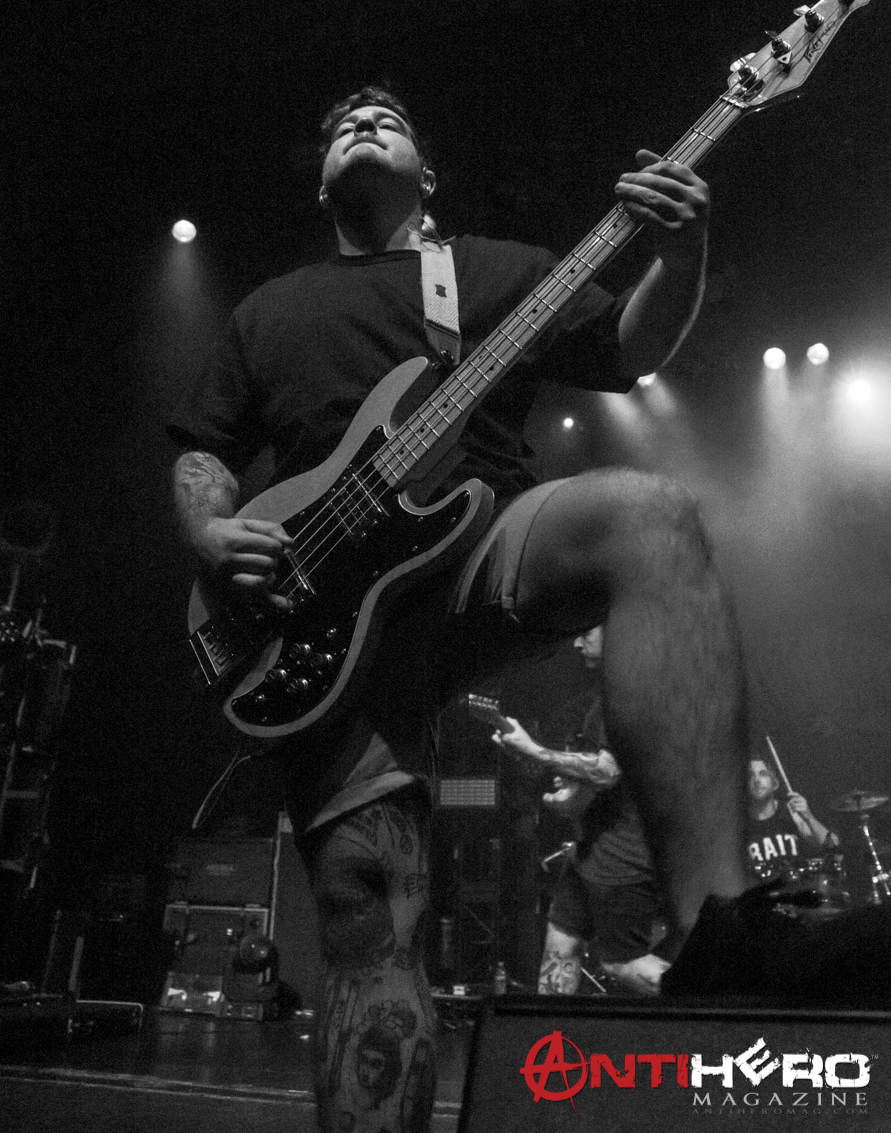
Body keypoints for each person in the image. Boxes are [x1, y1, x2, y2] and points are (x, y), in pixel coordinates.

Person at [168, 83, 748, 1133]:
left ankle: (723, 931)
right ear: (321, 182)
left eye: (386, 117)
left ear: (427, 176)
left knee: (650, 517)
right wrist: (212, 535)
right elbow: (204, 450)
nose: (361, 117)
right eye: (343, 121)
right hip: (321, 612)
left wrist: (684, 254)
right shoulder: (266, 309)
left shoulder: (494, 272)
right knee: (365, 911)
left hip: (479, 542)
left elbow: (626, 352)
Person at [491, 626, 669, 997]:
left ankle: (715, 1008)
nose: (576, 642)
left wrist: (533, 750)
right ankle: (549, 1032)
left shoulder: (630, 695)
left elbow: (607, 771)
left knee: (622, 962)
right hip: (592, 849)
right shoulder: (609, 697)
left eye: (587, 633)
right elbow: (605, 781)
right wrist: (568, 800)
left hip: (624, 856)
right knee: (562, 941)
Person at [747, 756, 838, 876]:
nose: (757, 780)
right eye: (751, 775)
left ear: (775, 784)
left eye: (763, 774)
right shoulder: (741, 824)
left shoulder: (791, 812)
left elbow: (833, 846)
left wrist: (809, 818)